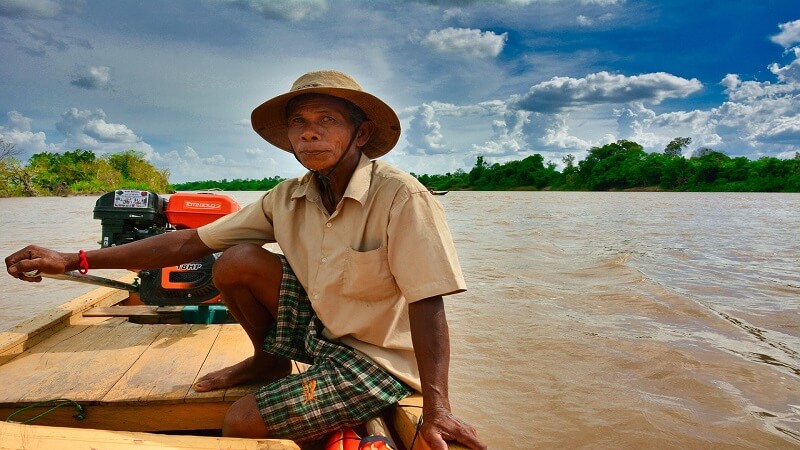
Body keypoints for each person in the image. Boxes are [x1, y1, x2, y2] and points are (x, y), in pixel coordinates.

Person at [5, 70, 486, 450]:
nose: (310, 134)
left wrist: (438, 408)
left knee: (240, 422)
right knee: (235, 259)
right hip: (324, 333)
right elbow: (187, 244)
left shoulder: (401, 196)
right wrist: (74, 259)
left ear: (360, 134)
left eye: (326, 121)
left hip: (377, 357)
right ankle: (268, 362)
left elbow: (428, 302)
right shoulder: (288, 198)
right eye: (299, 123)